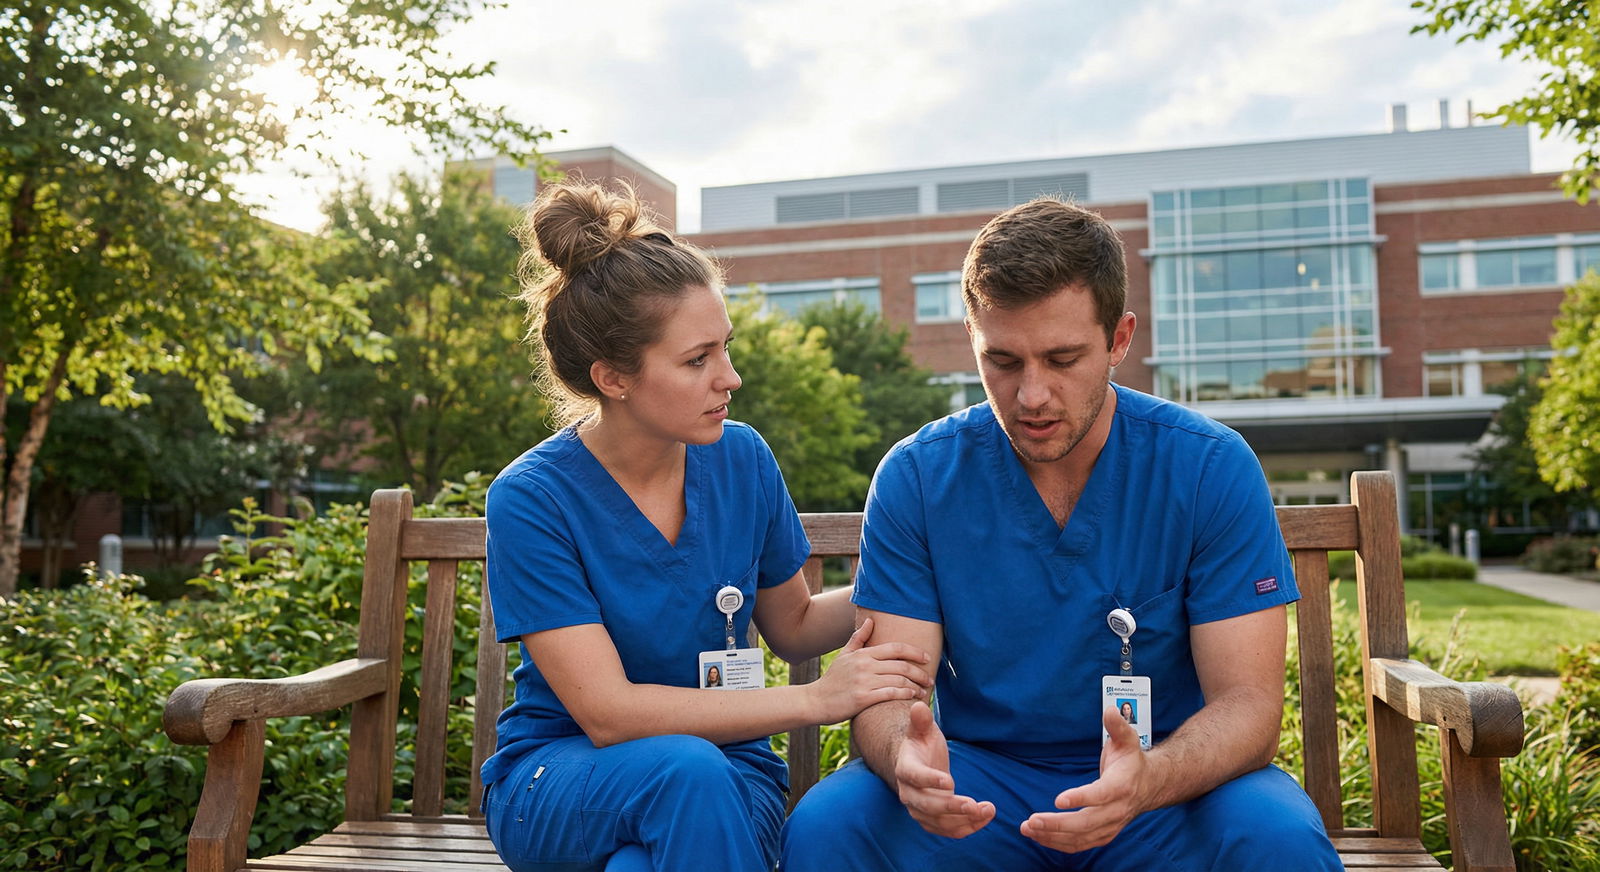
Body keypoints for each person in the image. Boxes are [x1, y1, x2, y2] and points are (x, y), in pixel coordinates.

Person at [782, 198, 1342, 871]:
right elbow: (888, 693)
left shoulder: (1208, 468)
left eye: (1063, 357)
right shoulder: (919, 477)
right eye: (1004, 361)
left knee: (1275, 836)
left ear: (1120, 339)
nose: (1032, 396)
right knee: (831, 825)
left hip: (1166, 788)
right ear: (971, 337)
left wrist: (1150, 780)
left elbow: (1248, 706)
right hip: (983, 792)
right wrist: (906, 756)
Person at [481, 180, 933, 872]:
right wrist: (815, 699)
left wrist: (929, 580)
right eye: (698, 360)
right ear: (613, 378)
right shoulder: (532, 499)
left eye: (725, 347)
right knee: (684, 772)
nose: (732, 377)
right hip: (562, 780)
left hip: (731, 778)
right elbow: (607, 713)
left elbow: (796, 624)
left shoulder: (741, 458)